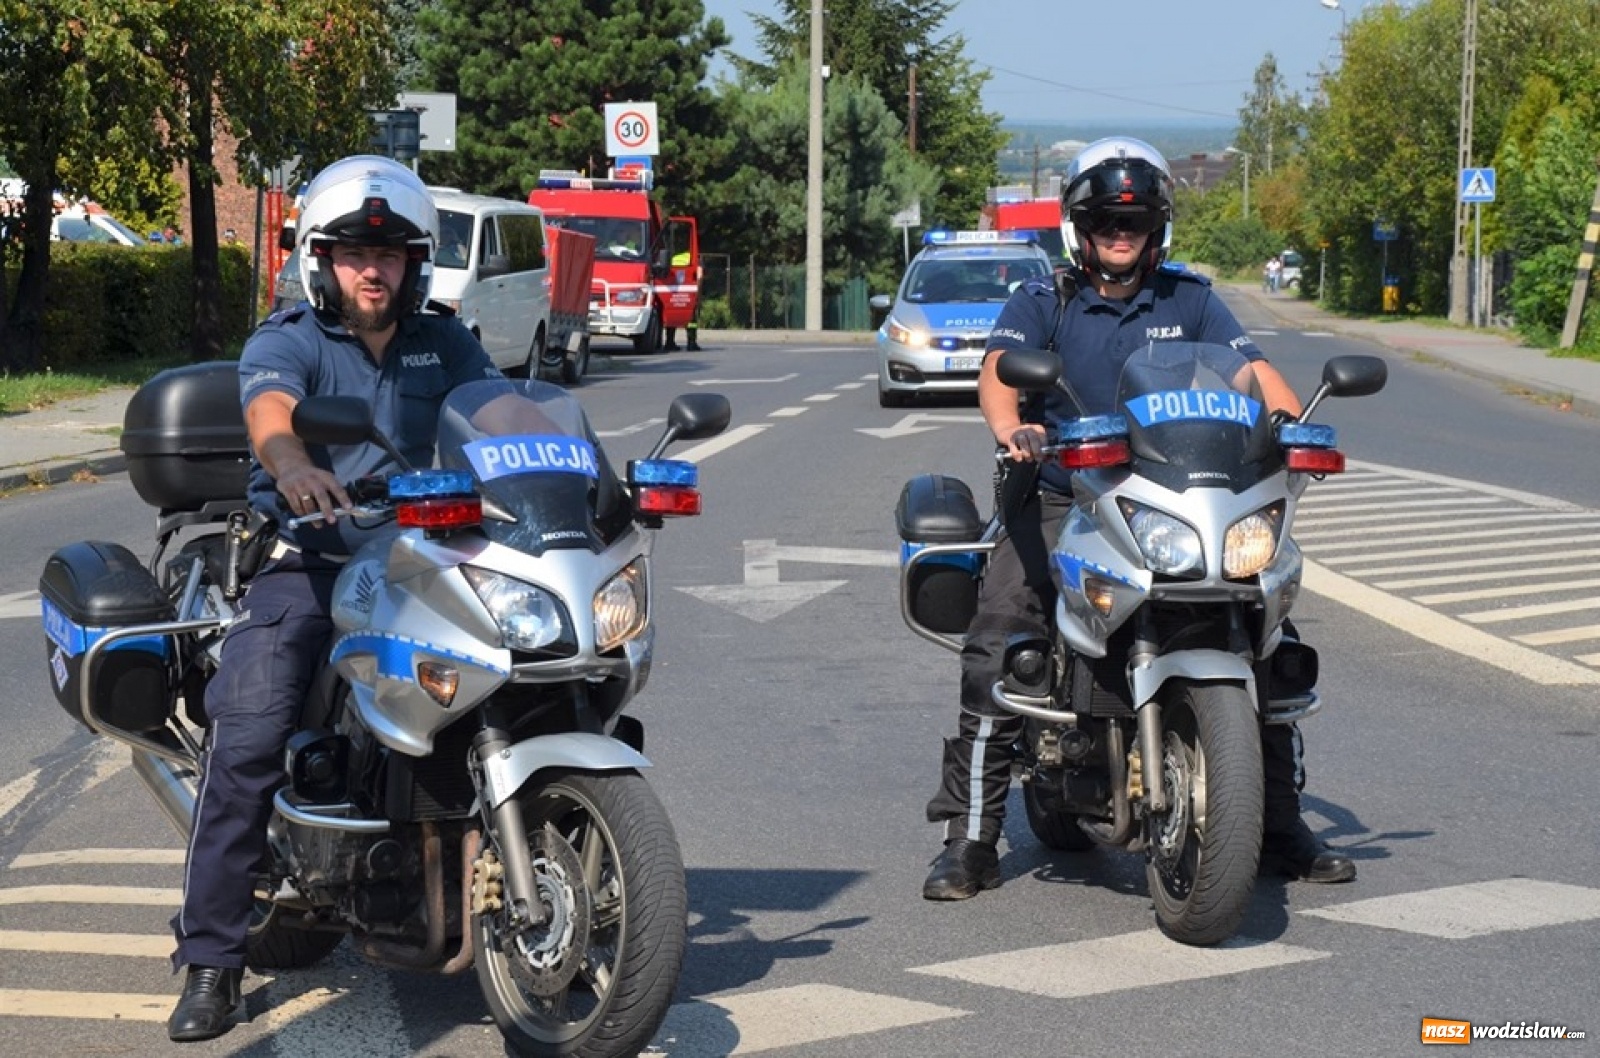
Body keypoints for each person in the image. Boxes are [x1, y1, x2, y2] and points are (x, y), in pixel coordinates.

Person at [922, 137, 1357, 901]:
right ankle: (972, 837)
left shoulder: (1188, 297)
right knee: (1000, 641)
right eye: (1105, 221)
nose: (1120, 234)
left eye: (1134, 222)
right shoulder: (1044, 299)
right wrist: (1012, 431)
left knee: (1269, 635)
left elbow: (1251, 370)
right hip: (1063, 492)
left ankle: (1277, 826)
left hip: (1170, 493)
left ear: (1157, 230)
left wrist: (1293, 424)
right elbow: (999, 376)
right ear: (1079, 228)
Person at [165, 155, 502, 1043]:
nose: (373, 268)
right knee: (249, 731)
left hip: (433, 561)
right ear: (320, 258)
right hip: (314, 559)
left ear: (414, 263)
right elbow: (271, 415)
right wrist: (295, 466)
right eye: (354, 250)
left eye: (390, 254)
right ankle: (210, 959)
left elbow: (505, 417)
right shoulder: (290, 340)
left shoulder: (446, 340)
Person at [659, 248, 703, 352]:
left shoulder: (674, 258)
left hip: (673, 290)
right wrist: (698, 293)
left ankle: (669, 342)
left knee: (672, 316)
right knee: (692, 319)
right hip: (688, 291)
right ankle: (691, 343)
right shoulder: (695, 258)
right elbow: (700, 276)